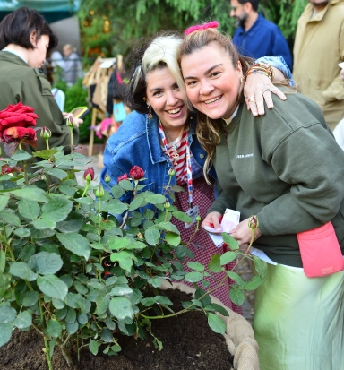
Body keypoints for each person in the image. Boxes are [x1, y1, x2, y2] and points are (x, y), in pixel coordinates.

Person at [178, 21, 344, 370]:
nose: (204, 89)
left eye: (214, 73)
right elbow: (240, 183)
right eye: (192, 82)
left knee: (299, 356)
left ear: (240, 68)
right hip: (274, 258)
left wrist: (258, 223)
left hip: (309, 260)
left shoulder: (274, 113)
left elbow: (324, 190)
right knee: (271, 347)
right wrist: (221, 208)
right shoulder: (225, 118)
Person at [100, 33, 292, 313]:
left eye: (178, 86)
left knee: (214, 304)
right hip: (156, 223)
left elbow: (278, 66)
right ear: (146, 97)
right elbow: (109, 210)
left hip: (205, 214)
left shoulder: (206, 110)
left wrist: (257, 74)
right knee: (167, 306)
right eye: (158, 92)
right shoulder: (127, 145)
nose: (172, 100)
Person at [0, 7, 80, 152]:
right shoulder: (28, 76)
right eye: (45, 46)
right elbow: (50, 143)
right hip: (31, 173)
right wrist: (72, 126)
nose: (45, 59)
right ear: (33, 37)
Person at [293, 0, 344, 131]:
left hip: (332, 120)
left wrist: (326, 97)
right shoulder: (303, 17)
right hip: (303, 114)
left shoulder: (342, 14)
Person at [230, 0, 292, 70]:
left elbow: (285, 65)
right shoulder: (238, 33)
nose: (231, 14)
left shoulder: (271, 31)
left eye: (235, 9)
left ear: (247, 7)